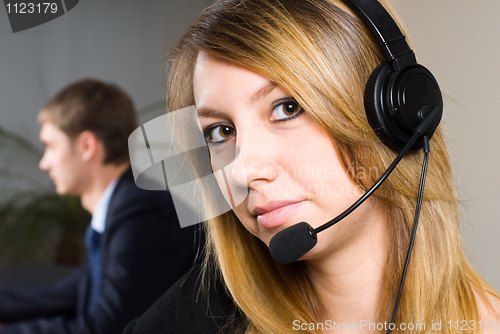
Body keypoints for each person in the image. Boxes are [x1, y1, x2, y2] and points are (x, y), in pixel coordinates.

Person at [124, 0, 500, 333]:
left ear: (391, 119)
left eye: (287, 108)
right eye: (220, 132)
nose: (242, 172)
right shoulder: (191, 317)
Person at [0, 79, 201, 334]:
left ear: (86, 146)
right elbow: (68, 292)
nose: (44, 163)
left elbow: (108, 328)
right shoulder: (126, 204)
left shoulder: (143, 213)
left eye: (50, 146)